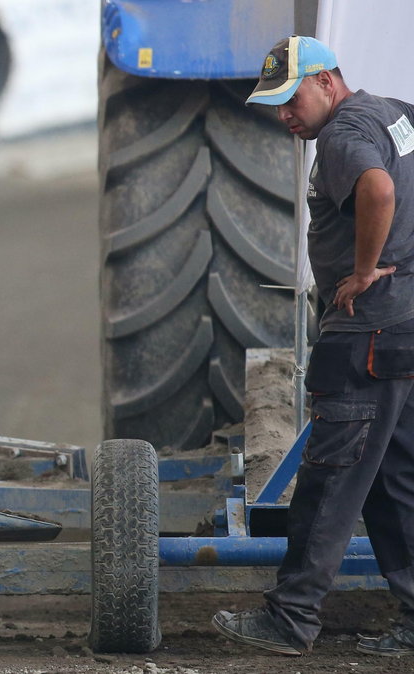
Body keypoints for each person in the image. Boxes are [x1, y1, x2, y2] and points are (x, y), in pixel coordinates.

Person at [213, 35, 414, 658]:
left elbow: (378, 191)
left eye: (290, 98)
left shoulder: (341, 137)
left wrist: (362, 269)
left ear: (327, 80)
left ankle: (290, 618)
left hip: (367, 333)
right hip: (406, 326)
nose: (284, 116)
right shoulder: (396, 113)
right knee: (395, 478)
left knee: (329, 480)